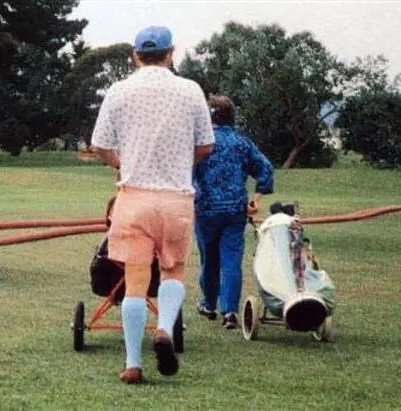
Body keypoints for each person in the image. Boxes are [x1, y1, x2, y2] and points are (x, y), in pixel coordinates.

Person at [90, 26, 215, 384]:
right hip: (175, 198)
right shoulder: (190, 90)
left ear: (135, 55)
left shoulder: (119, 90)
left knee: (134, 281)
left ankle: (133, 363)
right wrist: (178, 161)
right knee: (173, 271)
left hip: (134, 198)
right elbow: (206, 145)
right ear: (170, 53)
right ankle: (163, 329)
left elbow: (100, 144)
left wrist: (121, 162)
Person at [192, 95, 274, 329]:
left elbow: (188, 175)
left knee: (209, 260)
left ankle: (209, 304)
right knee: (231, 261)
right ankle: (230, 311)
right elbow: (265, 169)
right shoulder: (242, 143)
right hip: (236, 210)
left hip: (206, 210)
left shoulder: (201, 144)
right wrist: (256, 199)